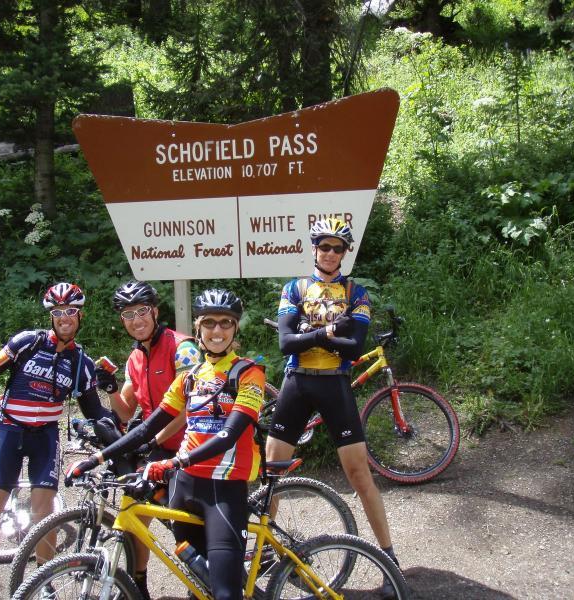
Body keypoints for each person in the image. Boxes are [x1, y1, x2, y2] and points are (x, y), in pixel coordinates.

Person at [67, 288, 264, 600]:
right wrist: (96, 459)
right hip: (185, 488)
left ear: (235, 328)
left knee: (226, 592)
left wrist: (175, 461)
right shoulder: (191, 377)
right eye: (209, 323)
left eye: (226, 323)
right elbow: (147, 426)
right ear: (199, 327)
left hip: (223, 487)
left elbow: (229, 433)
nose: (217, 330)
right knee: (199, 581)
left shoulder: (249, 373)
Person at [0, 282, 114, 600]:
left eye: (71, 311)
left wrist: (121, 433)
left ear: (80, 316)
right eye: (58, 312)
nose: (64, 317)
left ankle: (46, 582)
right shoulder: (28, 342)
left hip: (45, 437)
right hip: (10, 430)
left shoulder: (81, 362)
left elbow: (95, 412)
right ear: (51, 316)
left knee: (44, 510)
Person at [265, 217, 401, 599]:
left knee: (360, 476)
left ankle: (389, 559)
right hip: (297, 384)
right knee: (271, 475)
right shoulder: (294, 287)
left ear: (344, 253)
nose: (329, 253)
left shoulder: (357, 292)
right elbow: (286, 344)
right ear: (314, 249)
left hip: (335, 386)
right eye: (323, 246)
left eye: (336, 248)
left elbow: (356, 347)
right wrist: (328, 333)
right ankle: (265, 556)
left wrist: (312, 336)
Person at [96, 279, 201, 599]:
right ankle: (138, 585)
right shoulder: (135, 359)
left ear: (155, 312)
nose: (136, 320)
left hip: (192, 446)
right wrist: (111, 390)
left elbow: (191, 408)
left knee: (190, 523)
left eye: (142, 311)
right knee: (138, 510)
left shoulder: (182, 348)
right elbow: (127, 414)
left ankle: (207, 580)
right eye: (128, 314)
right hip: (159, 445)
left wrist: (152, 439)